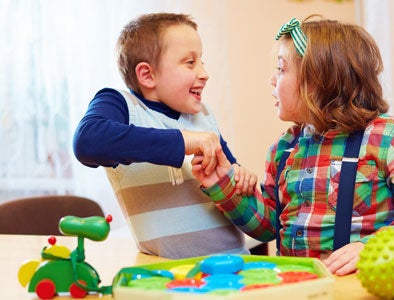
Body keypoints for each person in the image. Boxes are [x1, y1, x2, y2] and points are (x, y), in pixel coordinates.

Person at [191, 15, 394, 275]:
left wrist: (374, 247)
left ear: (317, 81)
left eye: (281, 69)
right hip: (301, 286)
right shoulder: (283, 149)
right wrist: (221, 184)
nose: (272, 80)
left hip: (363, 285)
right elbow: (269, 226)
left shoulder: (389, 138)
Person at [73, 12, 257, 259]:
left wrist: (241, 177)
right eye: (190, 63)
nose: (204, 73)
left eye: (202, 61)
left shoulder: (204, 115)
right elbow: (87, 140)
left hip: (235, 265)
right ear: (147, 75)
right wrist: (182, 140)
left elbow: (230, 177)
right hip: (167, 277)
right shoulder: (120, 105)